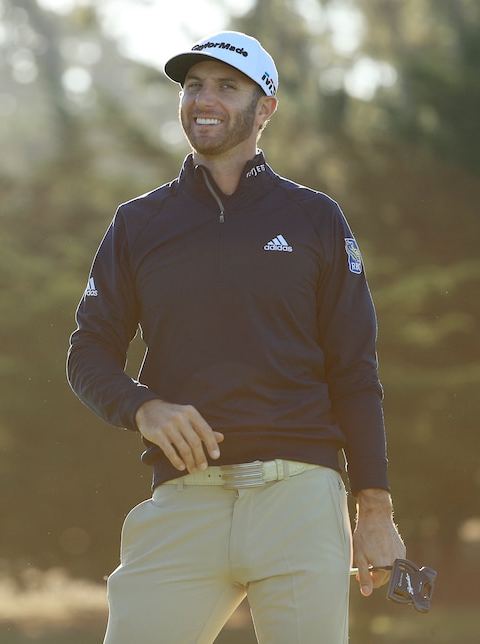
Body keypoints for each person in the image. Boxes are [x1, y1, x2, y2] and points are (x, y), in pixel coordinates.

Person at [66, 31, 406, 643]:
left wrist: (375, 511)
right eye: (194, 85)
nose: (205, 99)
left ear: (266, 107)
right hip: (185, 498)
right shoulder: (139, 222)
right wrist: (142, 405)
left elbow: (355, 372)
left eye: (227, 86)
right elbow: (88, 351)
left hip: (300, 497)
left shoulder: (315, 219)